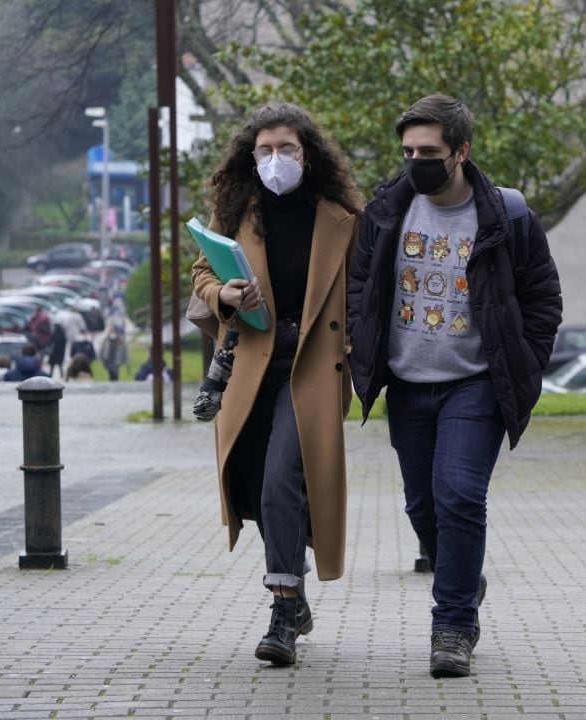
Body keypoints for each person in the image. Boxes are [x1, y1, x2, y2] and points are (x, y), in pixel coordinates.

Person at [347, 94, 563, 679]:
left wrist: (524, 360)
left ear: (461, 152)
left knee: (460, 494)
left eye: (429, 151)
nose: (416, 161)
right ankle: (462, 576)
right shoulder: (385, 212)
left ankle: (454, 625)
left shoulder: (506, 214)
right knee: (423, 505)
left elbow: (544, 297)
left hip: (475, 382)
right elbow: (359, 286)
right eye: (408, 151)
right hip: (409, 383)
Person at [190, 102, 362, 667]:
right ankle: (295, 590)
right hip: (249, 361)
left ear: (307, 154)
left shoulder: (341, 215)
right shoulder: (238, 206)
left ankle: (283, 613)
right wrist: (226, 296)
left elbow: (364, 289)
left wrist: (361, 344)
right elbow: (202, 273)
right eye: (264, 150)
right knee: (254, 480)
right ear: (250, 155)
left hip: (310, 363)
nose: (274, 159)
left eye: (286, 149)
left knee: (280, 481)